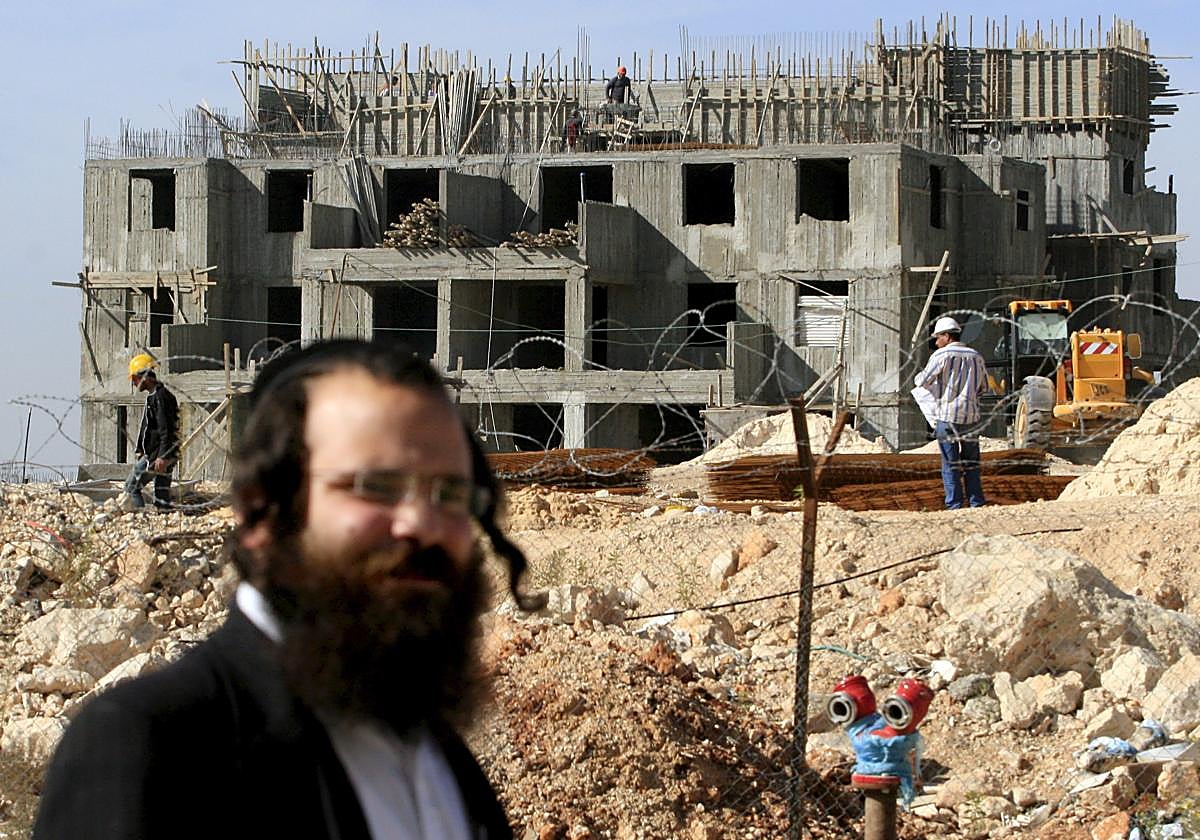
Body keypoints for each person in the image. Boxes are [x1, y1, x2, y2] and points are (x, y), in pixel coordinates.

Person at [35, 340, 545, 840]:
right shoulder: (157, 750)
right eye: (376, 487)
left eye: (449, 493)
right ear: (261, 511)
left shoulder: (440, 761)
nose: (423, 524)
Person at [914, 316, 989, 509]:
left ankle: (954, 505)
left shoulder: (941, 356)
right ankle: (976, 503)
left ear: (946, 336)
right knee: (972, 463)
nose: (936, 342)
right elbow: (984, 387)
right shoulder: (977, 356)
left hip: (947, 418)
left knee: (950, 464)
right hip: (971, 418)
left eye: (938, 337)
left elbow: (923, 381)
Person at [123, 353, 178, 511]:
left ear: (144, 377)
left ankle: (141, 517)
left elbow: (165, 429)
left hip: (156, 455)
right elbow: (152, 428)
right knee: (161, 494)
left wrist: (162, 456)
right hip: (162, 453)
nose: (134, 384)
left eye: (134, 379)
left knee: (131, 487)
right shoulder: (157, 396)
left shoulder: (160, 398)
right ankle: (164, 521)